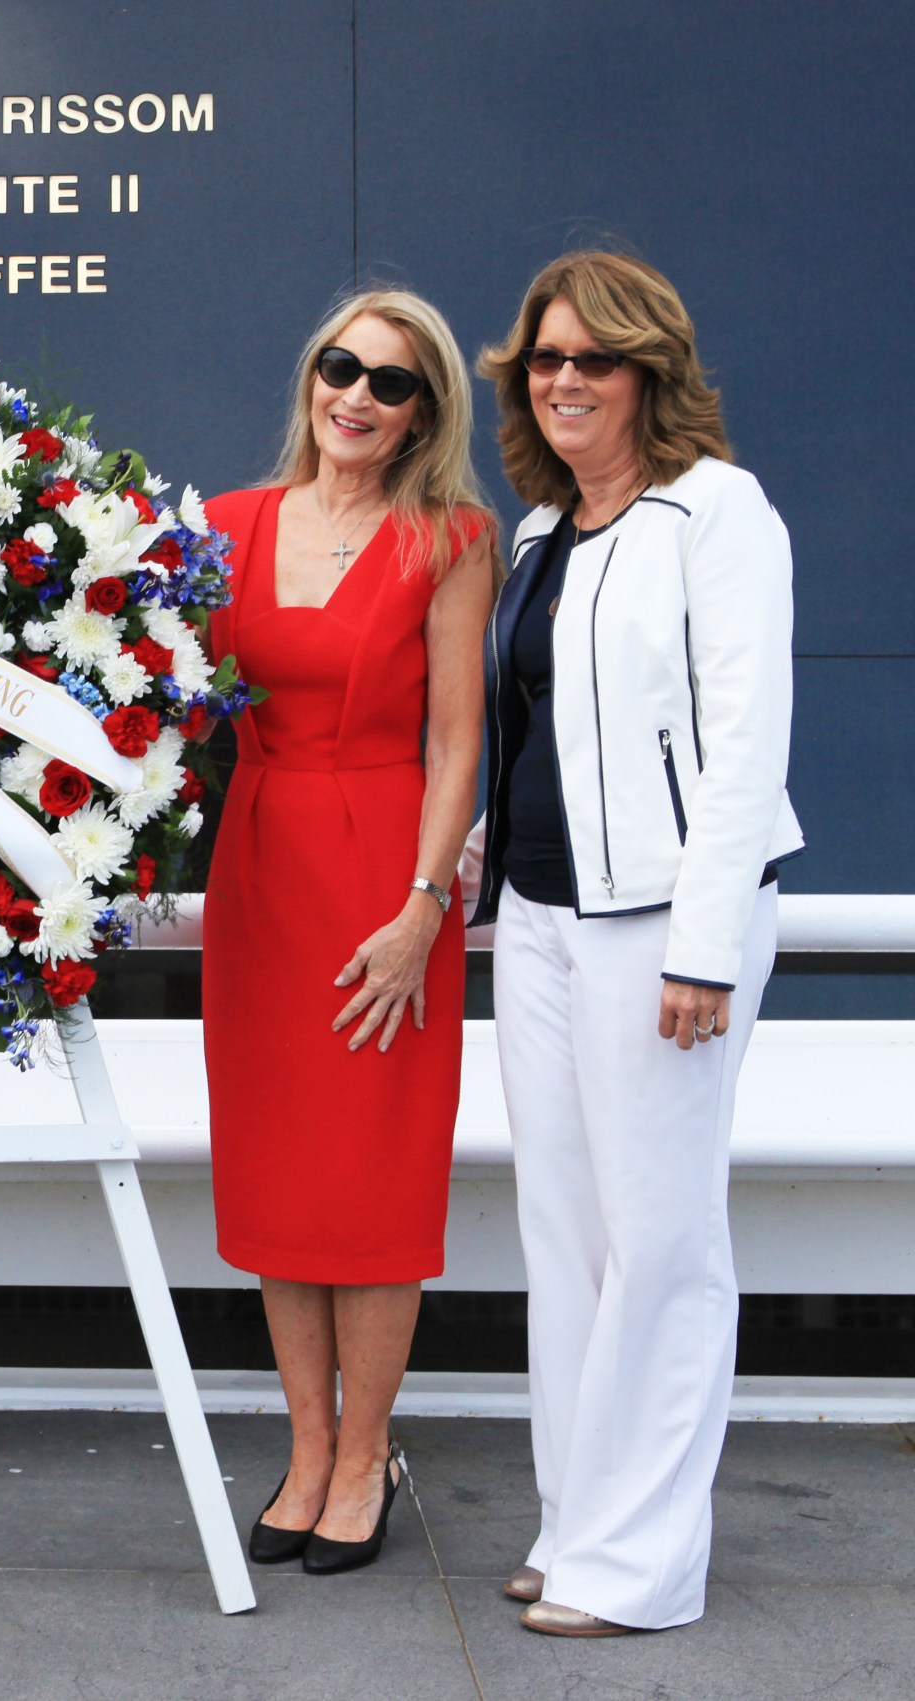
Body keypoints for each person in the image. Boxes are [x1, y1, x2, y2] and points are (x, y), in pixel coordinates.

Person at [470, 252, 804, 1636]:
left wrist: (704, 948)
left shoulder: (716, 514)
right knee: (568, 1239)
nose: (563, 382)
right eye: (544, 360)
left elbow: (742, 751)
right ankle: (577, 1525)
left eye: (592, 360)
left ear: (649, 374)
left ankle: (644, 1567)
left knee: (660, 1244)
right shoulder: (546, 532)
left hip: (664, 931)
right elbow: (538, 739)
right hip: (544, 924)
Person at [202, 290, 496, 1574]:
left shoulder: (451, 537)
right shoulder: (220, 526)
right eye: (339, 367)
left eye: (390, 383)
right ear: (309, 374)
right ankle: (305, 1448)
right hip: (258, 872)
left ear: (424, 412)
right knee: (277, 1172)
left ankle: (365, 1455)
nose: (356, 398)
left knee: (367, 1175)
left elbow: (453, 742)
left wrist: (420, 910)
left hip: (384, 879)